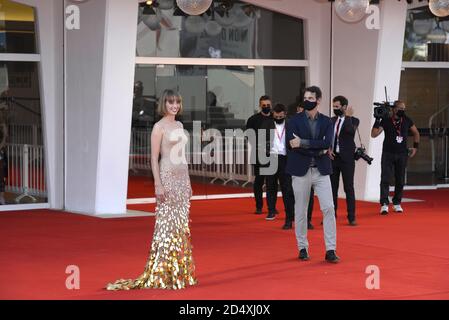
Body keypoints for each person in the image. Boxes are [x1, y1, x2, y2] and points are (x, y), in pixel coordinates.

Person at [107, 89, 197, 290]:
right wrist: (158, 183)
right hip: (167, 176)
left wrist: (188, 181)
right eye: (170, 102)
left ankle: (176, 270)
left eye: (177, 102)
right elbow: (153, 158)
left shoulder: (180, 125)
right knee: (165, 226)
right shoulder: (159, 127)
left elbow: (182, 156)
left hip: (182, 177)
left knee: (180, 225)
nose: (174, 106)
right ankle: (161, 272)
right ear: (163, 105)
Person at [286, 86, 340, 263]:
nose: (307, 100)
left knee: (329, 208)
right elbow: (291, 144)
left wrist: (303, 143)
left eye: (310, 98)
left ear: (318, 100)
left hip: (321, 170)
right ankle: (302, 247)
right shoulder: (293, 121)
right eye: (305, 97)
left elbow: (327, 143)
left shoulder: (327, 122)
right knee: (300, 210)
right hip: (300, 171)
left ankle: (330, 249)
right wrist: (317, 149)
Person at [371, 100, 420, 215]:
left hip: (402, 154)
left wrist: (415, 147)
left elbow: (416, 133)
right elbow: (374, 134)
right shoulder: (387, 121)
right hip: (388, 153)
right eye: (400, 109)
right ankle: (384, 204)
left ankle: (397, 203)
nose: (402, 111)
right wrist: (377, 120)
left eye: (404, 109)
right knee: (385, 179)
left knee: (400, 179)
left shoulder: (407, 120)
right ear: (394, 109)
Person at [261, 103, 295, 229]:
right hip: (271, 158)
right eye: (276, 116)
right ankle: (271, 210)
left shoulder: (291, 124)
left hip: (286, 158)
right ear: (273, 114)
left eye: (281, 116)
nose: (278, 118)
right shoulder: (266, 124)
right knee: (270, 185)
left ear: (285, 115)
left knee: (287, 189)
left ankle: (289, 218)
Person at [329, 96, 359, 226]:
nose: (335, 109)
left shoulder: (353, 120)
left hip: (347, 159)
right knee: (332, 188)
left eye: (337, 106)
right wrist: (328, 149)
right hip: (333, 158)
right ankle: (332, 216)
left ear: (344, 107)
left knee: (349, 187)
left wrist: (347, 117)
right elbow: (327, 136)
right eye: (333, 106)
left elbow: (350, 131)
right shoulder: (331, 120)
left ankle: (351, 217)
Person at [246, 95, 274, 215]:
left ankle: (271, 207)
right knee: (259, 181)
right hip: (258, 154)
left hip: (273, 154)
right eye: (264, 105)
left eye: (268, 105)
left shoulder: (275, 118)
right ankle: (259, 206)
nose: (266, 107)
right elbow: (248, 135)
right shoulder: (253, 119)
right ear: (260, 105)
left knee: (271, 182)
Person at [296, 102, 315, 230]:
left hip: (310, 164)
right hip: (295, 162)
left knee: (309, 194)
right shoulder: (292, 124)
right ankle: (293, 219)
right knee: (295, 193)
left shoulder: (313, 127)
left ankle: (308, 220)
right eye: (299, 112)